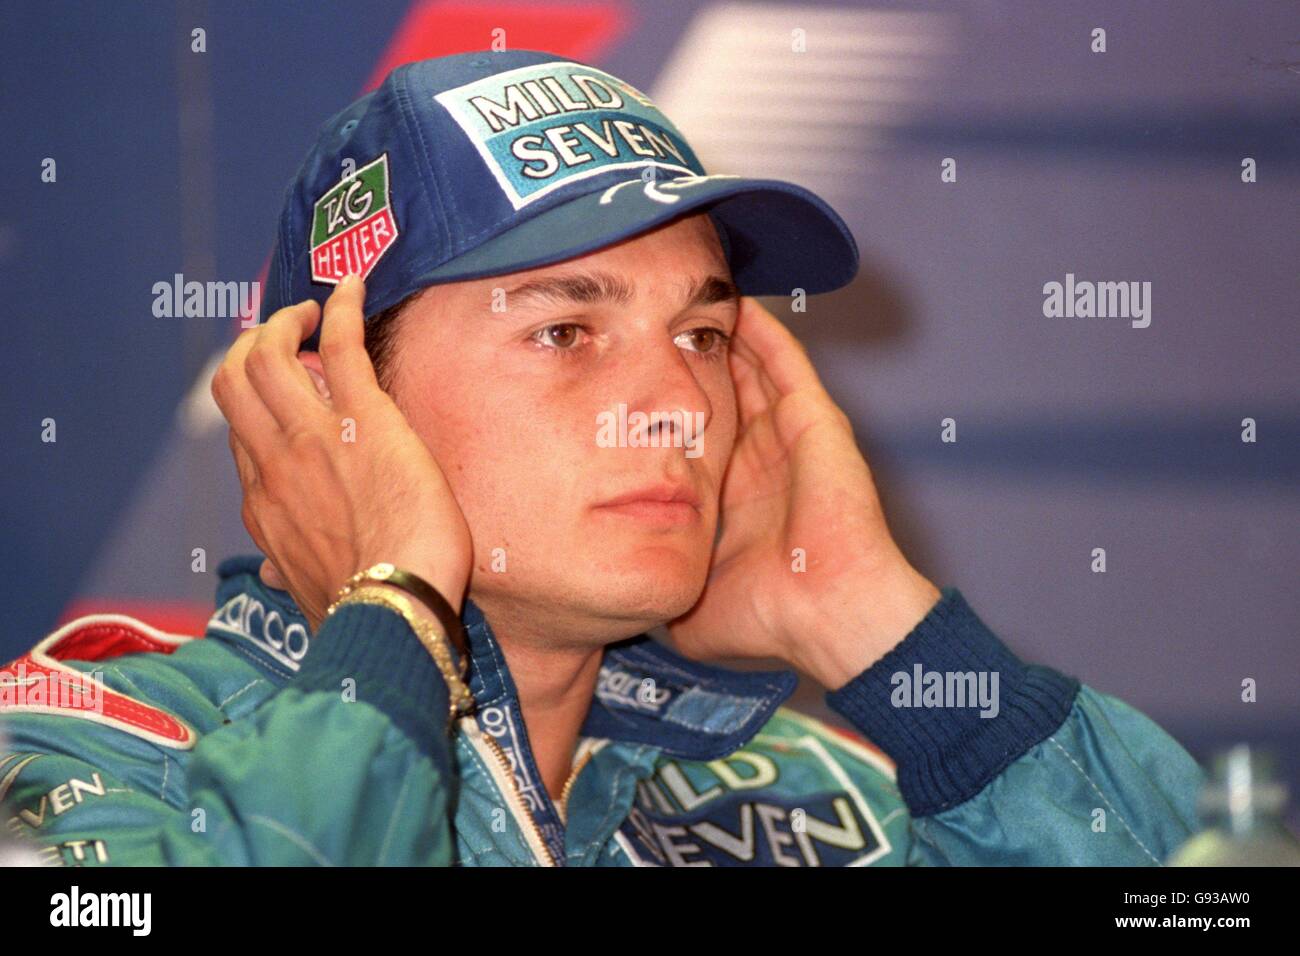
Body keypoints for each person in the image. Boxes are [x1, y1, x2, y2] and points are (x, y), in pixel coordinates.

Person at [0, 50, 1203, 866]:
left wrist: (883, 632)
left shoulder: (813, 797)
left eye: (703, 331)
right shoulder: (81, 746)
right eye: (565, 330)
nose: (677, 401)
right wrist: (397, 619)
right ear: (330, 398)